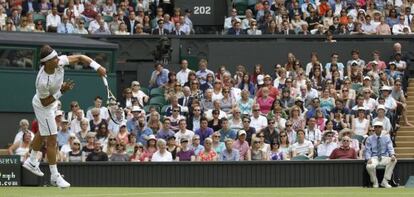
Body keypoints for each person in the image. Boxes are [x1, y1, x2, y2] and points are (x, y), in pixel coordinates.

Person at [23, 44, 106, 188]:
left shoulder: (59, 61)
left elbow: (80, 57)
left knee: (43, 133)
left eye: (57, 57)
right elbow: (44, 102)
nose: (58, 59)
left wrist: (97, 66)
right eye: (54, 59)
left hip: (51, 104)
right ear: (46, 62)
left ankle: (31, 161)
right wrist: (62, 91)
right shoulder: (42, 81)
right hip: (44, 106)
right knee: (52, 139)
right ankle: (55, 176)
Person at [365, 121, 397, 188]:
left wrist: (392, 155)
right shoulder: (369, 138)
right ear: (374, 128)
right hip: (374, 157)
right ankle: (375, 182)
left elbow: (390, 147)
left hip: (384, 157)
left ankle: (385, 181)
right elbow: (367, 150)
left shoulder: (387, 137)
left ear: (382, 128)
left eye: (379, 127)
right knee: (369, 166)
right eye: (376, 127)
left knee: (394, 160)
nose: (377, 128)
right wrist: (368, 158)